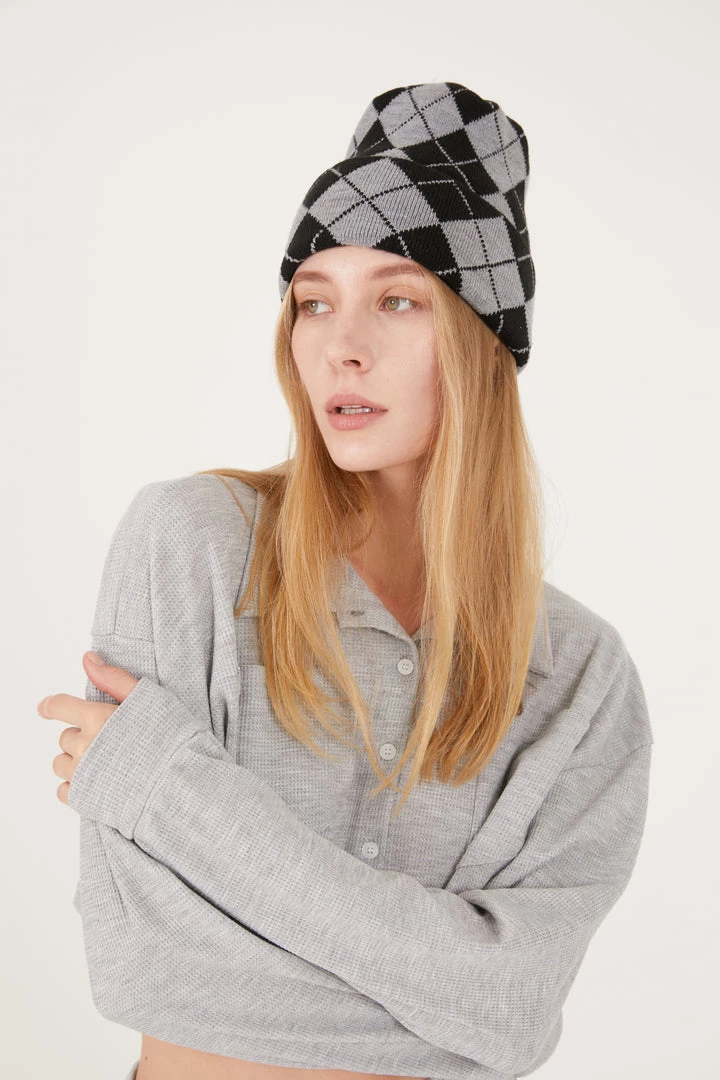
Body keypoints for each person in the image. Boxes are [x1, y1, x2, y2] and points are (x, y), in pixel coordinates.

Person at [39, 82, 653, 1080]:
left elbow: (514, 1008)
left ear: (483, 340)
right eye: (312, 302)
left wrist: (170, 791)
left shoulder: (582, 675)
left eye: (398, 300)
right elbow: (144, 965)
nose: (340, 347)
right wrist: (446, 988)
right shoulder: (193, 545)